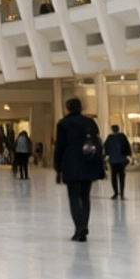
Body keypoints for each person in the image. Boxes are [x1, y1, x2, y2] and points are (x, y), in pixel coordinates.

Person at [54, 96, 104, 239]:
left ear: (68, 108)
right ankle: (85, 225)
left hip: (72, 164)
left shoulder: (64, 124)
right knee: (85, 196)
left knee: (74, 197)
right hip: (89, 163)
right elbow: (96, 139)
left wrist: (58, 167)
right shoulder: (89, 122)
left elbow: (60, 147)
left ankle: (79, 228)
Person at [104, 124, 131, 200]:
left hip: (113, 160)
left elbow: (106, 147)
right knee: (122, 177)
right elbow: (127, 146)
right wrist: (128, 155)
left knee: (114, 177)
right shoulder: (122, 137)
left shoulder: (109, 138)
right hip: (121, 160)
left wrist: (107, 155)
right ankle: (122, 193)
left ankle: (115, 193)